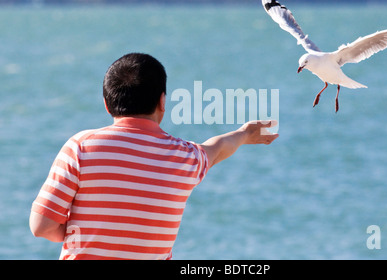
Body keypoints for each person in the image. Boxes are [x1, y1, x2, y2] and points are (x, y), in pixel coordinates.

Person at [29, 53, 278, 260]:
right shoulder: (186, 157)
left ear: (107, 104)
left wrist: (89, 235)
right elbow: (219, 147)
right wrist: (245, 134)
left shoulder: (80, 147)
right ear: (162, 102)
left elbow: (41, 227)